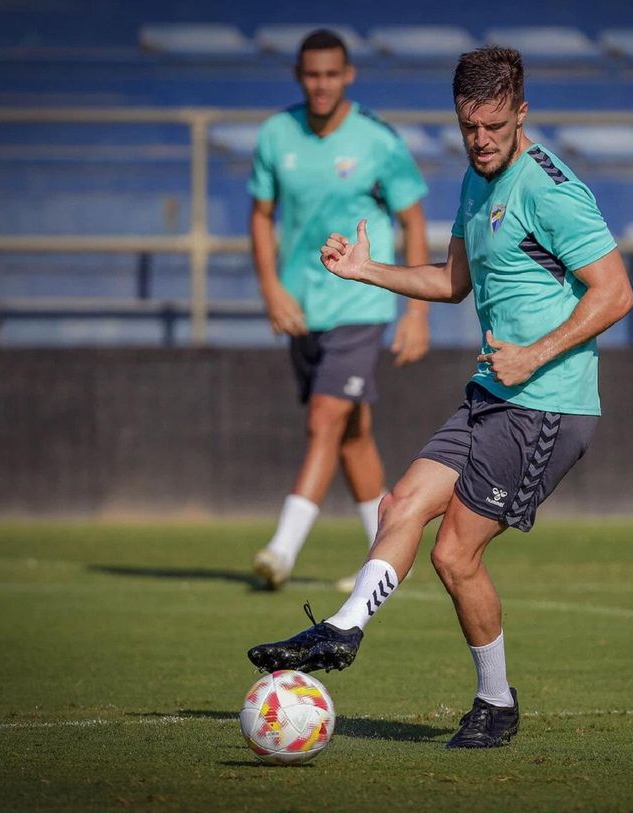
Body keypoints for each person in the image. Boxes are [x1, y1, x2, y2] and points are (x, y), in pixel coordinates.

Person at [246, 46, 633, 749]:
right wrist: (369, 271)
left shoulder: (550, 189)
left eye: (493, 126)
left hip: (548, 402)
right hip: (494, 394)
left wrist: (534, 353)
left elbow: (617, 291)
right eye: (468, 128)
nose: (480, 141)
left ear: (521, 112)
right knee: (400, 504)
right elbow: (453, 280)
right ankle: (342, 628)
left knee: (455, 554)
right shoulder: (475, 179)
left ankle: (497, 703)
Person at [248, 29, 431, 589]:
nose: (321, 84)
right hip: (304, 304)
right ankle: (384, 560)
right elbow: (260, 215)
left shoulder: (377, 139)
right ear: (299, 77)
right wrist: (273, 290)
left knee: (324, 419)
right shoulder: (277, 135)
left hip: (361, 299)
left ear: (348, 75)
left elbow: (413, 220)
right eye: (311, 74)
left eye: (331, 74)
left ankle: (280, 552)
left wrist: (417, 312)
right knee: (351, 434)